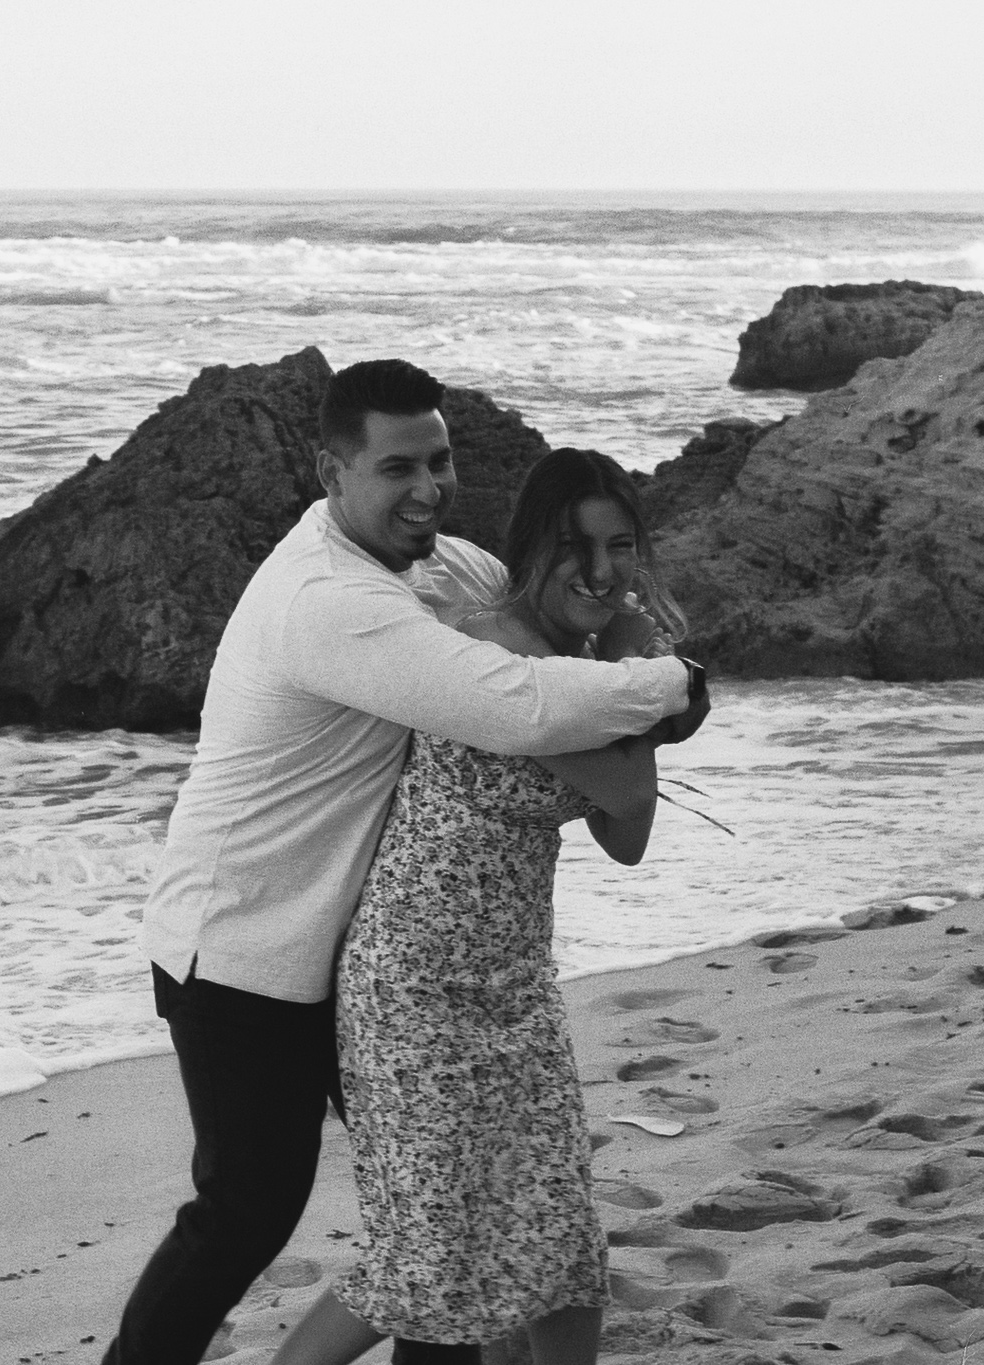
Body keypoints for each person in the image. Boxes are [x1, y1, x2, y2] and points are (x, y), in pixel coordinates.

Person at [101, 361, 709, 1365]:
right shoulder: (327, 598)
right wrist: (672, 679)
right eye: (396, 468)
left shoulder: (444, 569)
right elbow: (514, 703)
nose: (424, 487)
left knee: (448, 1212)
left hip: (359, 946)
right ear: (330, 472)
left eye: (437, 461)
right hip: (239, 943)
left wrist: (624, 652)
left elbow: (529, 621)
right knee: (250, 1210)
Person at [271, 446, 692, 1365]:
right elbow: (621, 798)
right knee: (425, 1265)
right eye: (576, 546)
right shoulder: (494, 653)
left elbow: (629, 839)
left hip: (513, 984)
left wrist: (632, 681)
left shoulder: (584, 667)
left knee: (560, 1249)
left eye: (621, 547)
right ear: (532, 545)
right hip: (414, 993)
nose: (601, 571)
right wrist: (644, 684)